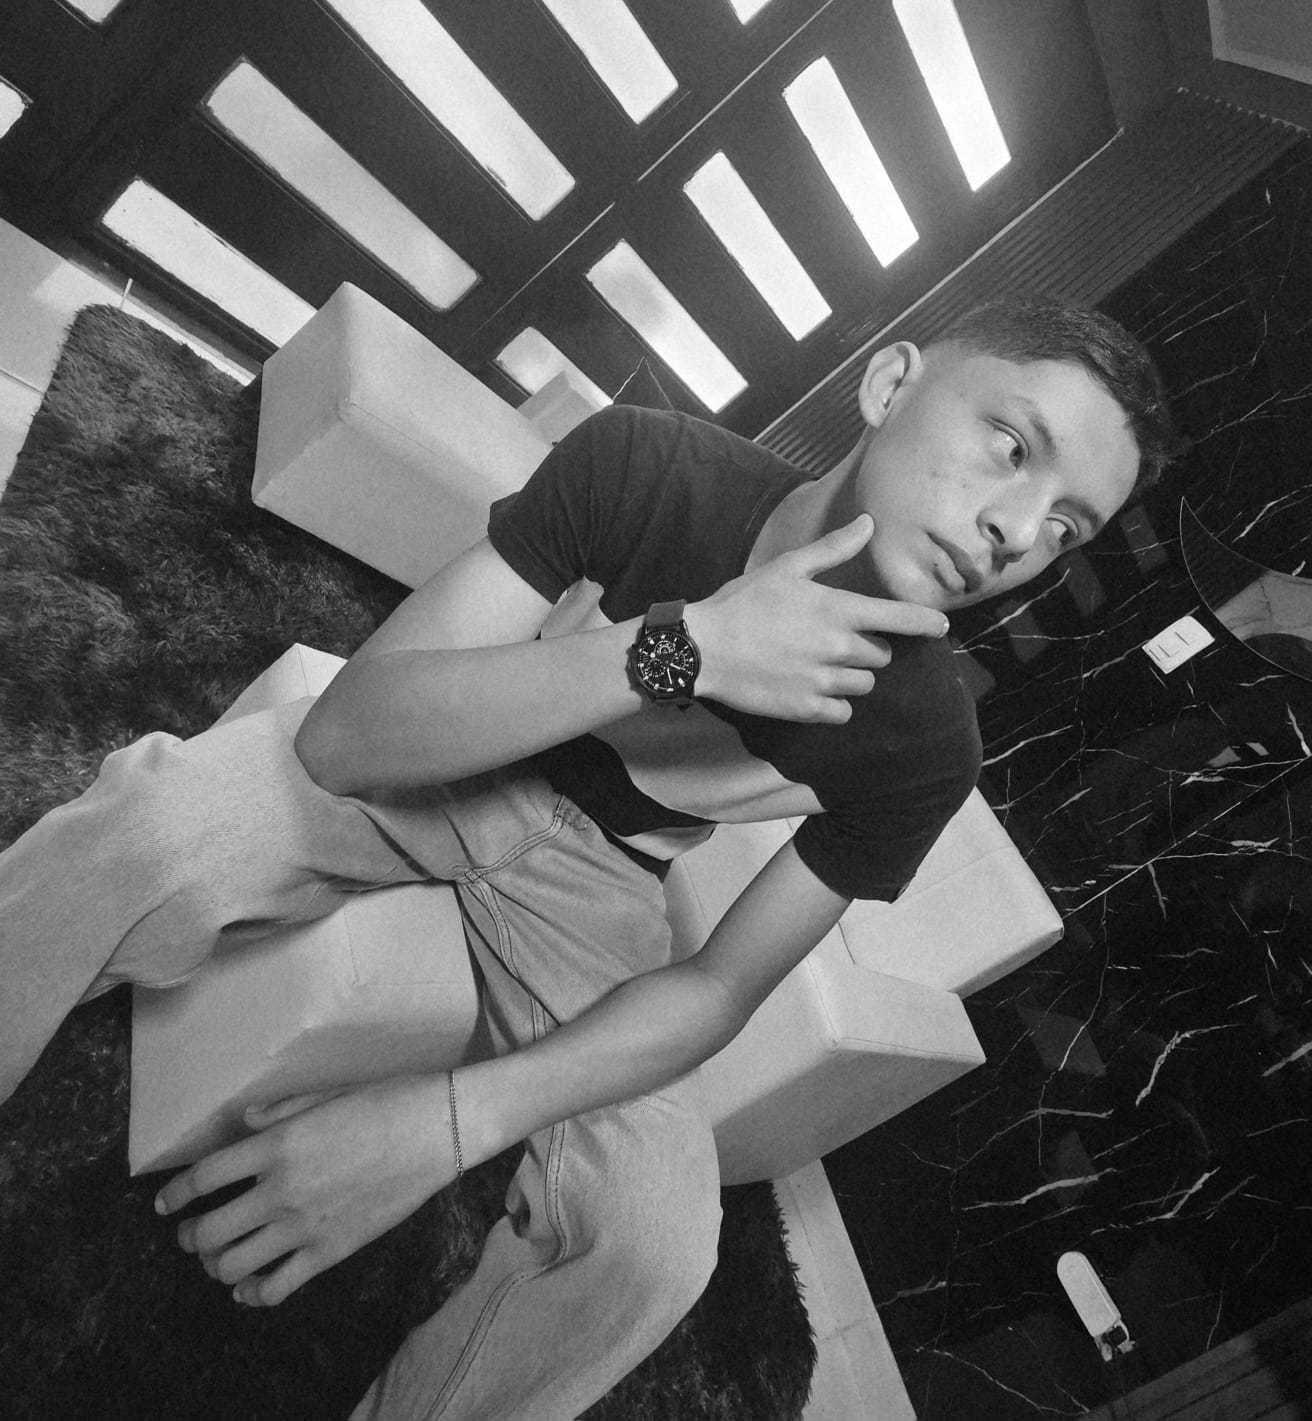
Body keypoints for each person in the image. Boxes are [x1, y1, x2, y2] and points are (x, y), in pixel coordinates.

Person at [0, 299, 1175, 1418]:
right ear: (890, 384)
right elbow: (351, 734)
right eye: (1012, 446)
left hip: (603, 881)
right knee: (153, 826)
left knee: (655, 1245)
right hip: (474, 745)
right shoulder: (650, 464)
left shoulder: (926, 745)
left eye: (1065, 527)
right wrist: (688, 647)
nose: (1017, 530)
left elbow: (718, 987)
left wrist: (441, 1122)